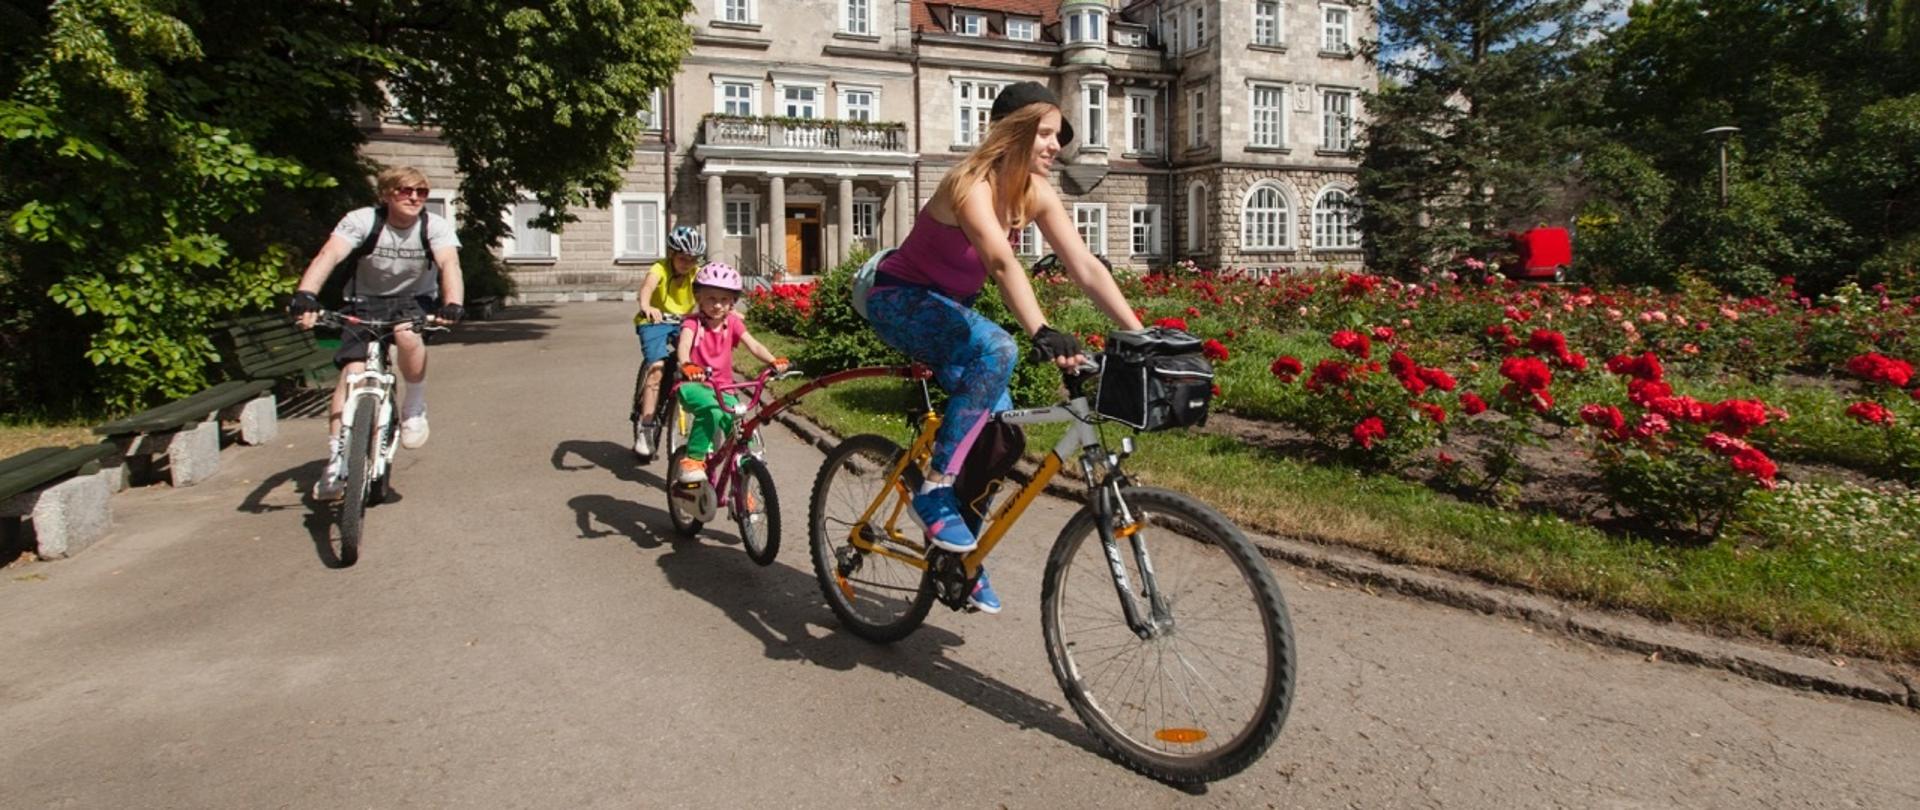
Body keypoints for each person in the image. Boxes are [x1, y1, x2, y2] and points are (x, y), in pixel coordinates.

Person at [860, 81, 1144, 614]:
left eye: (1058, 136)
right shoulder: (969, 183)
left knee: (1002, 438)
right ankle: (934, 490)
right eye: (1044, 133)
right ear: (1011, 132)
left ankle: (957, 555)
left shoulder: (1034, 192)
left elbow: (1083, 265)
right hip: (900, 299)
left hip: (950, 313)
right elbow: (1000, 261)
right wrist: (1039, 331)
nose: (1055, 145)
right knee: (999, 348)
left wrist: (1139, 332)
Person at [289, 165, 464, 500]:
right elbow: (330, 254)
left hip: (414, 299)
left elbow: (449, 264)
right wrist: (305, 294)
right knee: (351, 375)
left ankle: (414, 406)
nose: (414, 198)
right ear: (386, 194)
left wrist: (453, 303)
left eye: (421, 192)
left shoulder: (434, 226)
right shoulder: (362, 221)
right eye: (405, 191)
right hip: (363, 301)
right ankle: (336, 461)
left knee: (407, 335)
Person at [673, 261, 787, 484]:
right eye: (711, 299)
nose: (718, 305)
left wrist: (774, 361)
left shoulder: (733, 323)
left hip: (724, 388)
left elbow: (753, 345)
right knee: (713, 413)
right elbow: (683, 348)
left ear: (732, 302)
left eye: (724, 300)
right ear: (699, 298)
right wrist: (688, 366)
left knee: (740, 428)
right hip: (694, 385)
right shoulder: (692, 324)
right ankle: (693, 460)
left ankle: (742, 490)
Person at [632, 226, 705, 457]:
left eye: (693, 259)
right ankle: (646, 426)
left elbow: (707, 292)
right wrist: (646, 306)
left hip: (681, 322)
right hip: (653, 321)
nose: (688, 263)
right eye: (683, 258)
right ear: (672, 253)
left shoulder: (696, 273)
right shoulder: (659, 268)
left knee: (697, 360)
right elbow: (647, 287)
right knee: (656, 368)